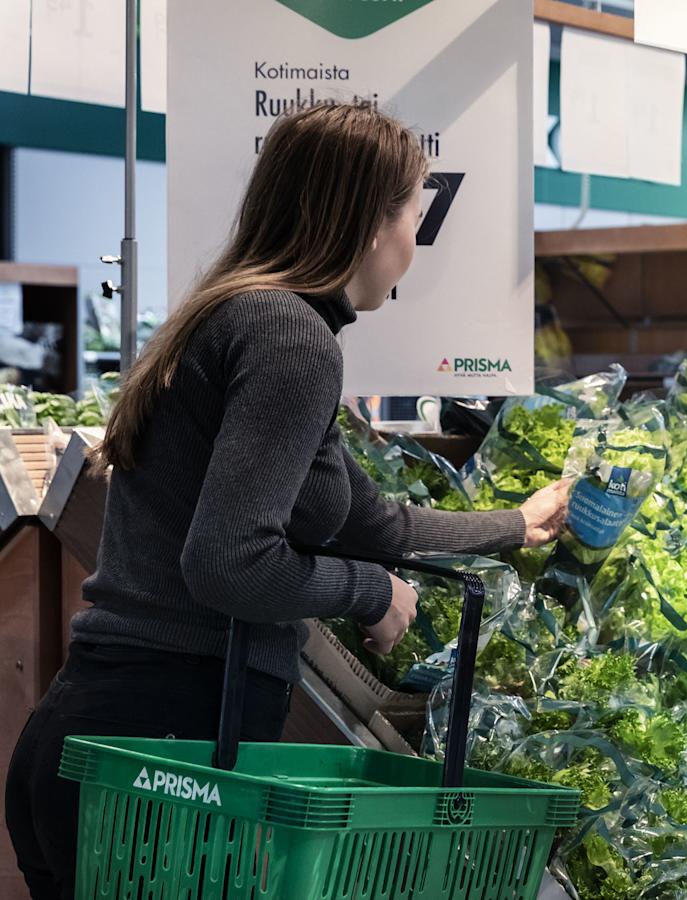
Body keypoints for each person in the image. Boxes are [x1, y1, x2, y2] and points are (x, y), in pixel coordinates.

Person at [4, 103, 571, 899]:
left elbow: (368, 520)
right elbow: (231, 565)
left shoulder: (241, 314)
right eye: (415, 216)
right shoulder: (291, 339)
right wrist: (369, 592)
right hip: (170, 754)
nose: (416, 244)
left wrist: (514, 525)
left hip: (109, 740)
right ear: (370, 225)